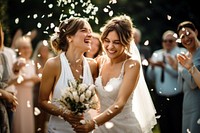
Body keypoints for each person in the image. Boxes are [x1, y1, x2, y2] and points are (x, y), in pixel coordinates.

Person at [73, 14, 157, 133]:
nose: (110, 47)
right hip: (101, 127)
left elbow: (120, 103)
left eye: (116, 42)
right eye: (107, 41)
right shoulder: (99, 62)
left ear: (126, 42)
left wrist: (93, 124)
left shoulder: (132, 64)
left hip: (125, 127)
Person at [38, 17, 98, 133]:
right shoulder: (53, 65)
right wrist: (64, 113)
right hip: (58, 130)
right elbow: (42, 101)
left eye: (90, 31)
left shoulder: (93, 65)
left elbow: (98, 101)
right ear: (69, 37)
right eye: (84, 30)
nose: (90, 35)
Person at [147, 30, 187, 133]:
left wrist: (164, 66)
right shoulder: (157, 54)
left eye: (170, 41)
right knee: (164, 126)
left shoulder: (182, 53)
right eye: (165, 41)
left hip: (177, 97)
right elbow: (150, 78)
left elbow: (179, 74)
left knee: (177, 125)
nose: (167, 43)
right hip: (160, 97)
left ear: (176, 41)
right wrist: (151, 67)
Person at [12, 36, 41, 133]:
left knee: (27, 120)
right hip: (19, 95)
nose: (27, 50)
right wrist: (31, 79)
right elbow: (14, 80)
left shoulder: (31, 63)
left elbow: (32, 79)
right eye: (24, 47)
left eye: (28, 47)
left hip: (29, 95)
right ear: (19, 49)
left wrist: (37, 79)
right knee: (20, 120)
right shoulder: (17, 62)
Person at [176, 21, 200, 133]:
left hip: (198, 106)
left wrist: (184, 68)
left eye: (188, 33)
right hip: (186, 105)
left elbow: (193, 84)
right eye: (182, 36)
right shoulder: (185, 56)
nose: (186, 38)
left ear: (196, 32)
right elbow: (181, 86)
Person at [32, 40, 54, 133]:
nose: (44, 51)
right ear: (39, 50)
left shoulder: (51, 60)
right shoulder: (36, 61)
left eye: (46, 49)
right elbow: (37, 76)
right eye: (42, 49)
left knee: (47, 116)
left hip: (50, 91)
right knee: (38, 115)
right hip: (38, 90)